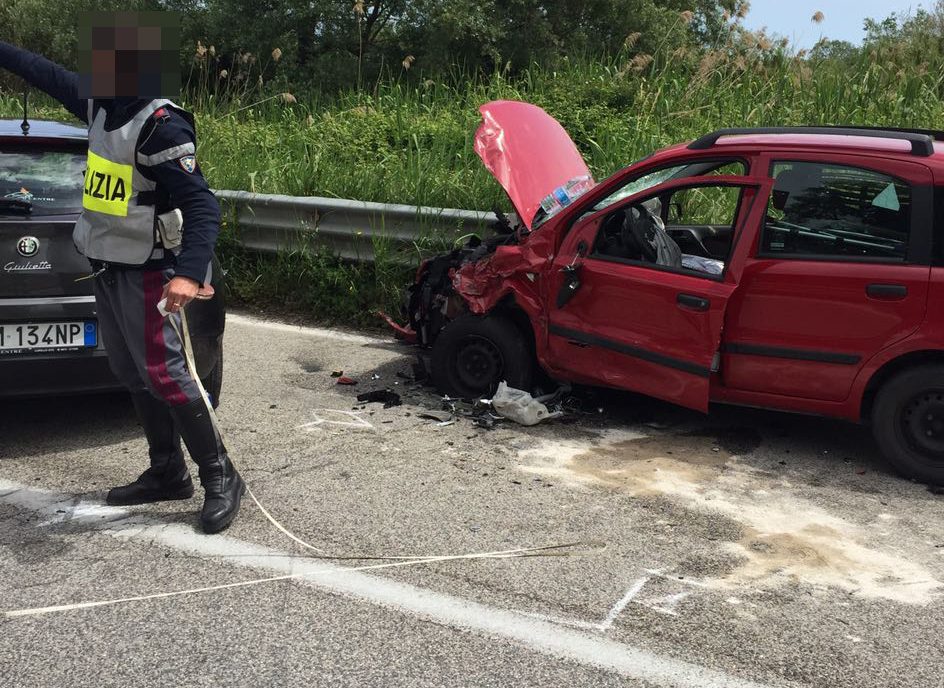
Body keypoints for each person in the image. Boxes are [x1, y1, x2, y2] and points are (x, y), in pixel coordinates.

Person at [0, 12, 244, 533]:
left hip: (152, 271)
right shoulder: (99, 106)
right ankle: (166, 472)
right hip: (108, 266)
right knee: (133, 374)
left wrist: (188, 273)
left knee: (169, 375)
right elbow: (41, 70)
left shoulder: (161, 126)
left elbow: (203, 207)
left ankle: (220, 475)